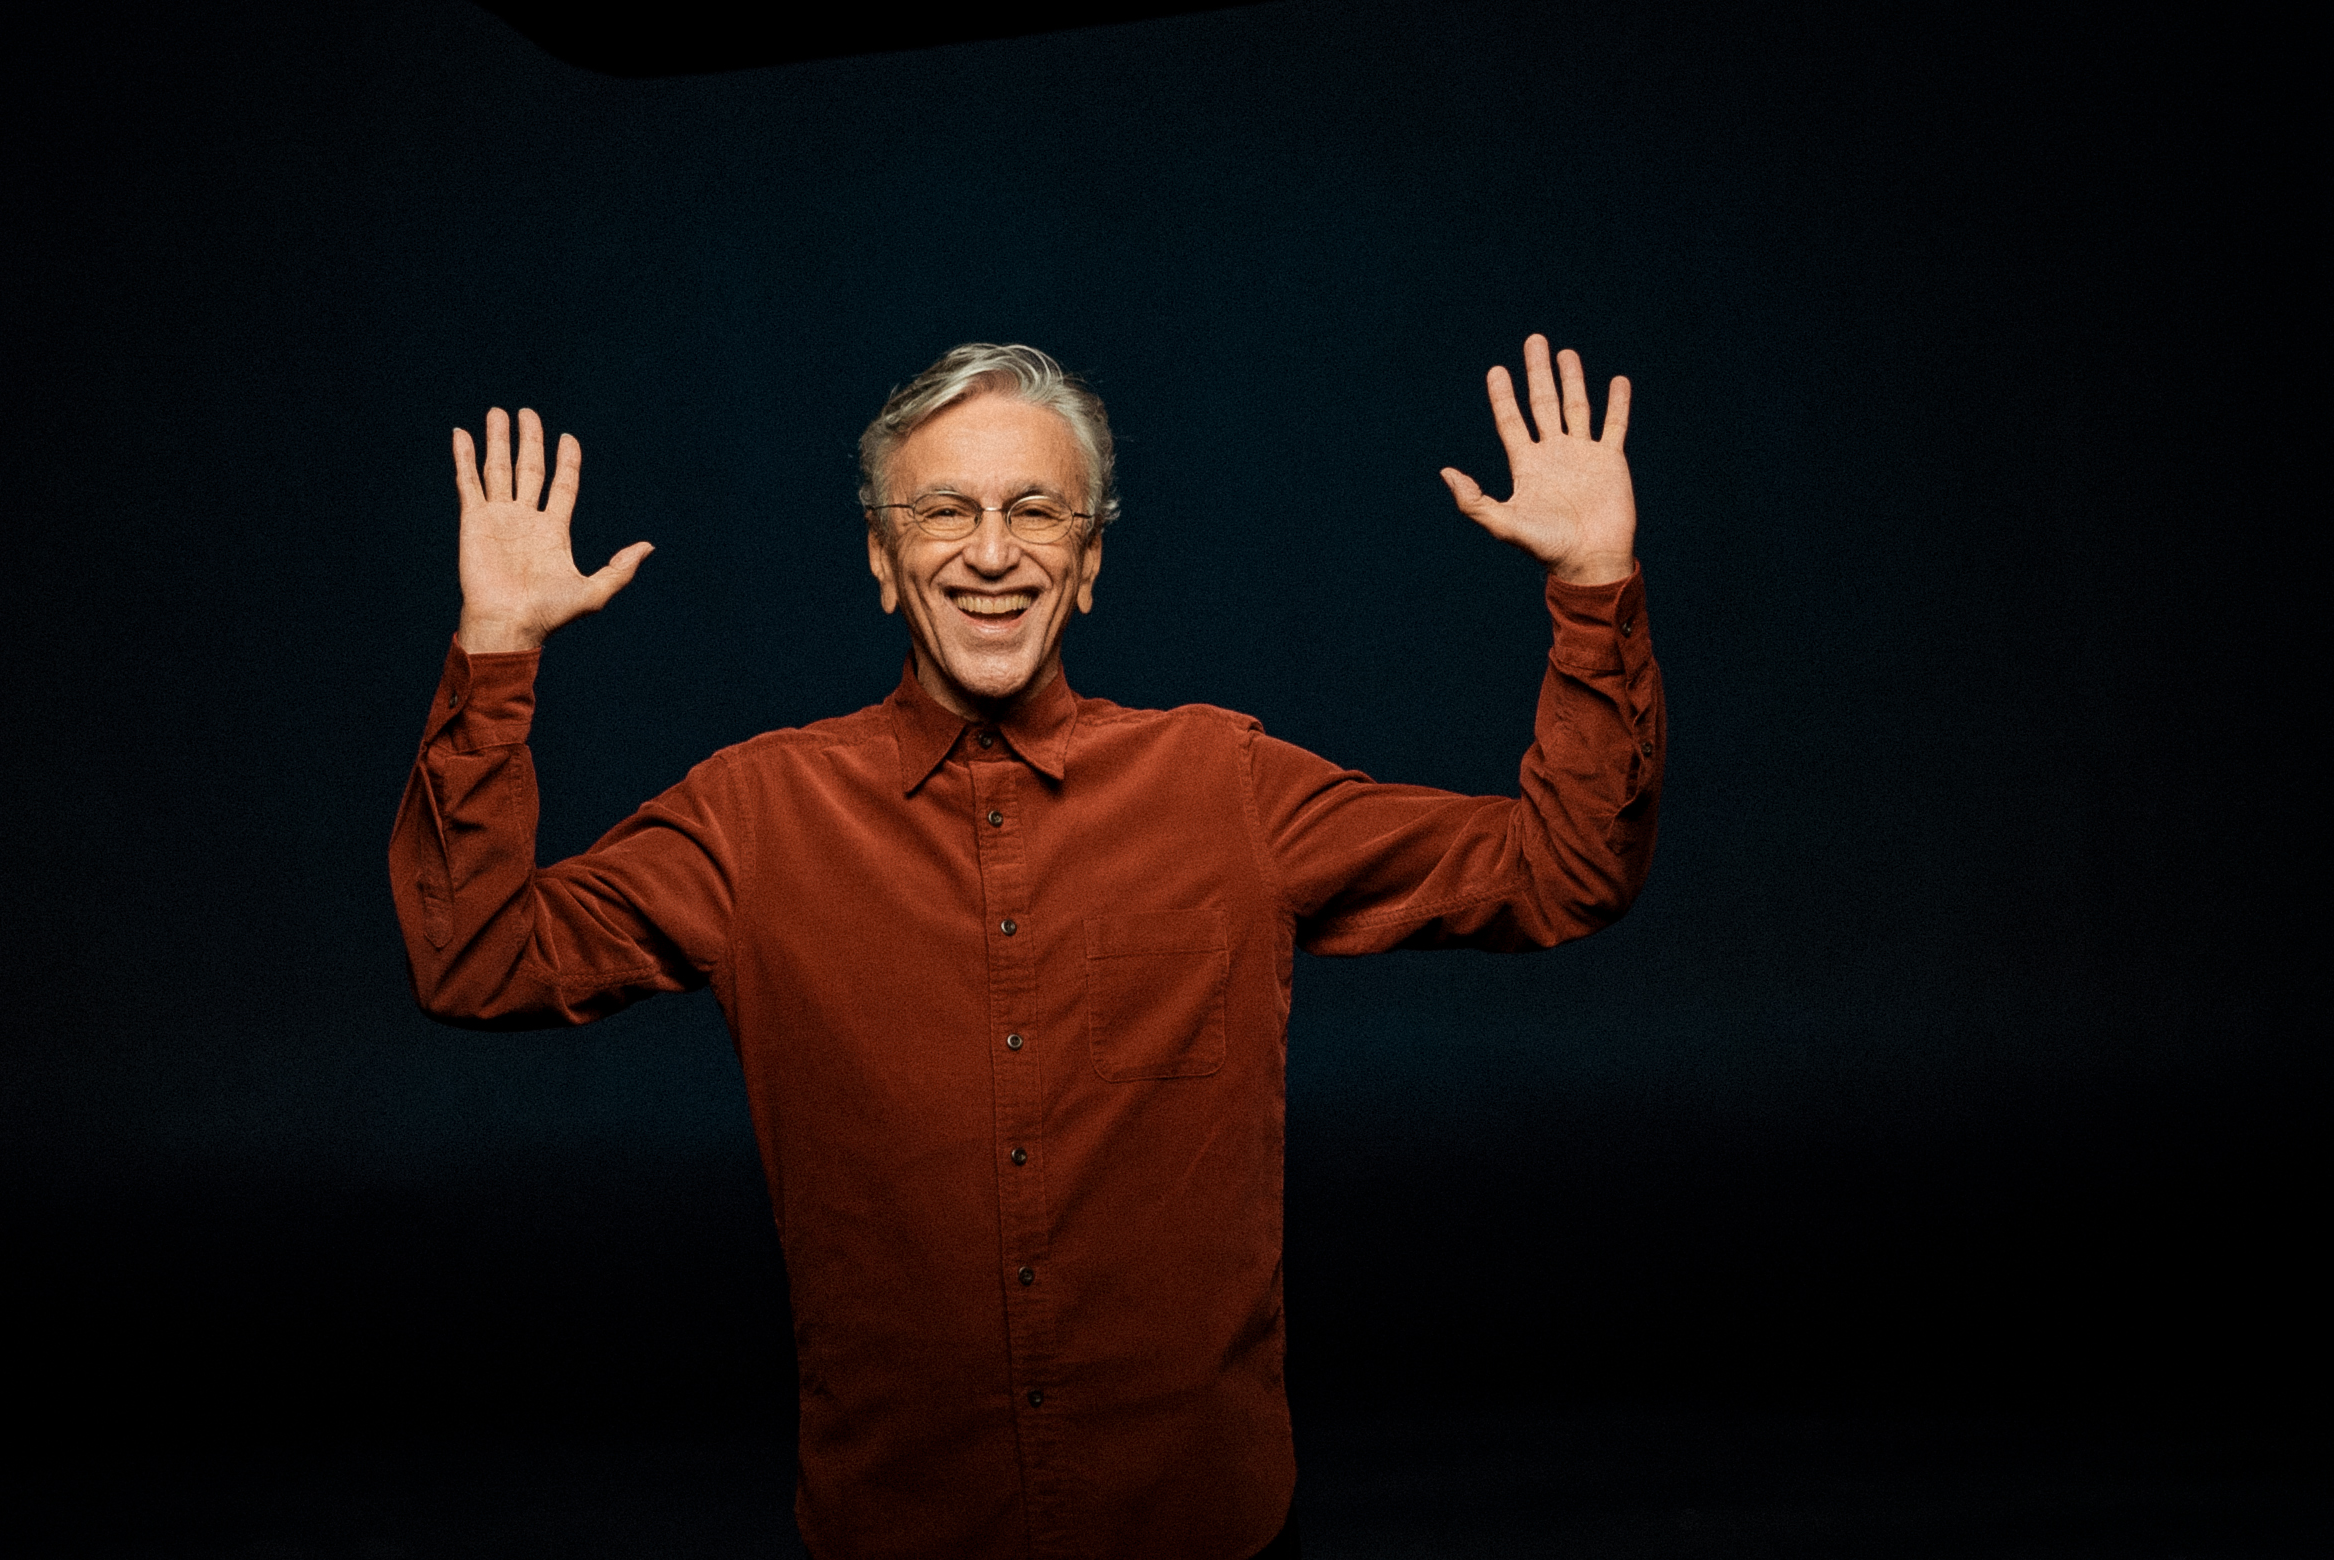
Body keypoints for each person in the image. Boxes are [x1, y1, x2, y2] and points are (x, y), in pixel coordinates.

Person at [388, 338, 1661, 1560]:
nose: (989, 553)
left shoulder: (1224, 782)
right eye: (942, 512)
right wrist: (497, 650)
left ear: (1090, 561)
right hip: (898, 1526)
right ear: (883, 560)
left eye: (1037, 513)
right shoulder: (751, 814)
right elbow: (480, 959)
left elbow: (1562, 869)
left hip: (1198, 1523)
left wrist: (1592, 582)